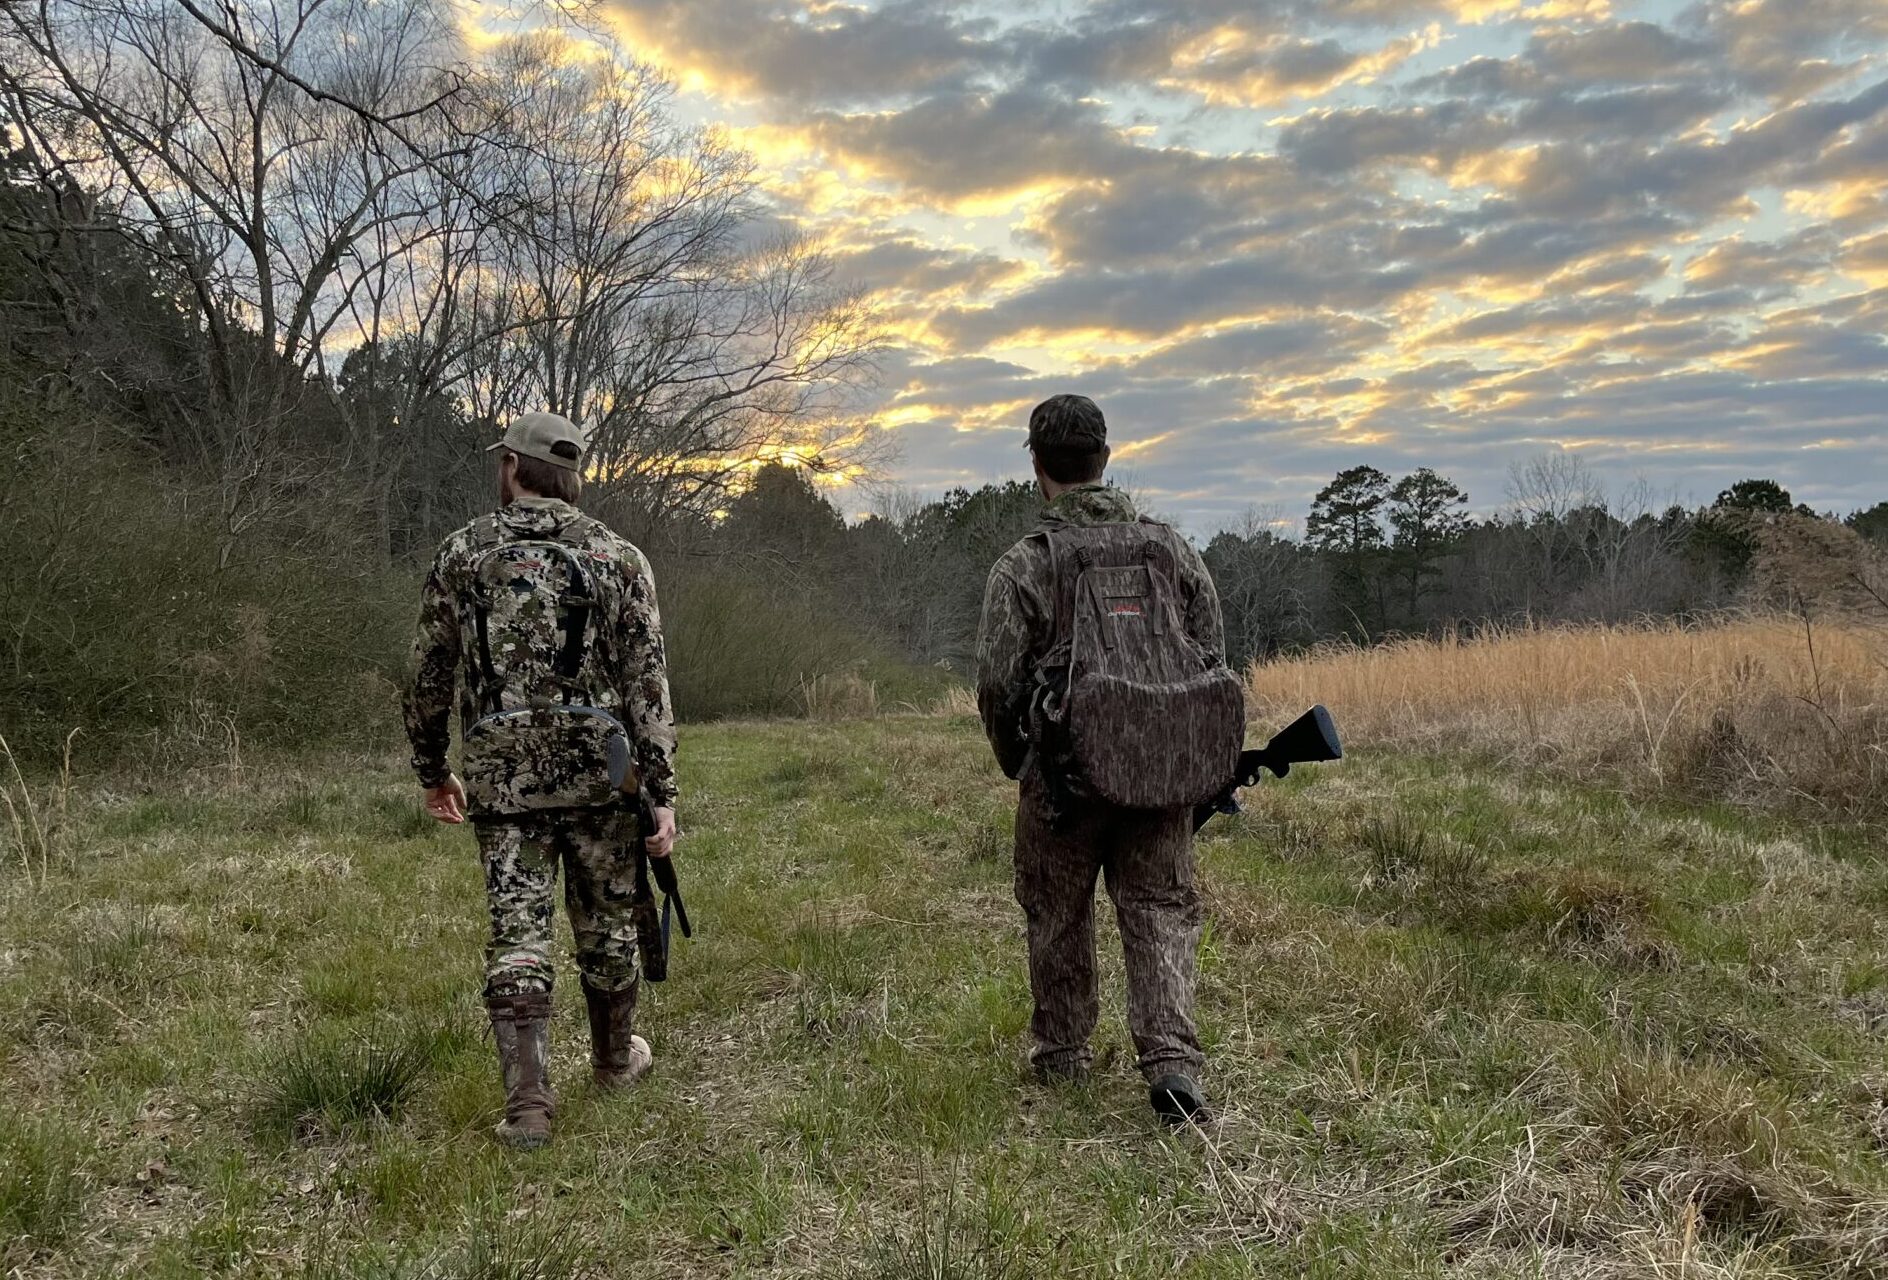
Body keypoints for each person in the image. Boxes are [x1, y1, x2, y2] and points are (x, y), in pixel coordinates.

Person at [404, 411, 679, 1149]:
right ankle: (616, 1062)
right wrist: (662, 794)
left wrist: (434, 770)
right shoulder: (619, 557)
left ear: (513, 469)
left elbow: (427, 674)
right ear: (573, 476)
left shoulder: (462, 552)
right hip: (604, 777)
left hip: (502, 783)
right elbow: (647, 685)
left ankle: (528, 1105)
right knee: (608, 922)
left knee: (518, 931)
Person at [975, 394, 1230, 1125]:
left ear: (1037, 465)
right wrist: (1179, 753)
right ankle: (1173, 1063)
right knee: (1161, 909)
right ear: (1105, 458)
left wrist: (1019, 759)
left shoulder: (1026, 564)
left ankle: (1061, 1055)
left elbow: (997, 681)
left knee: (1057, 912)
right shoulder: (1171, 550)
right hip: (1161, 778)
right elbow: (1211, 653)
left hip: (1063, 783)